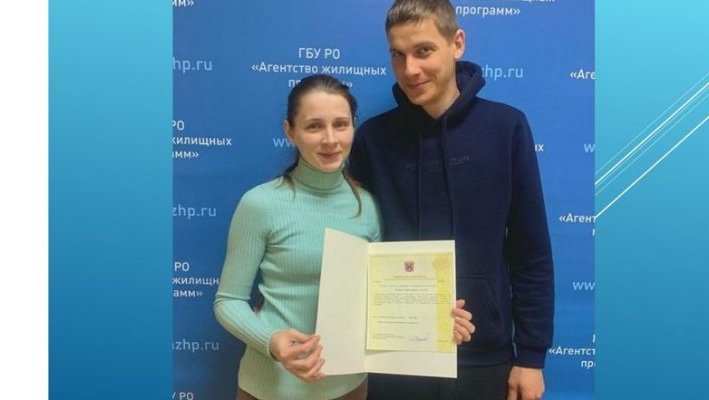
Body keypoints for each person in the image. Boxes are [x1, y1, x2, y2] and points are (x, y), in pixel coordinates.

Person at [214, 74, 476, 400]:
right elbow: (228, 301)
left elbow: (379, 300)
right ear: (290, 132)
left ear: (353, 127)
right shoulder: (261, 204)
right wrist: (272, 342)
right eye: (314, 126)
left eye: (340, 124)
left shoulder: (368, 206)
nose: (330, 139)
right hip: (271, 387)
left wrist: (436, 322)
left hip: (348, 387)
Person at [347, 1, 555, 400]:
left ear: (457, 43)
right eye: (397, 55)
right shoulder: (373, 139)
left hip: (484, 357)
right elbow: (357, 250)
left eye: (423, 51)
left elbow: (531, 252)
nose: (410, 69)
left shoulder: (506, 128)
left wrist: (531, 356)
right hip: (396, 355)